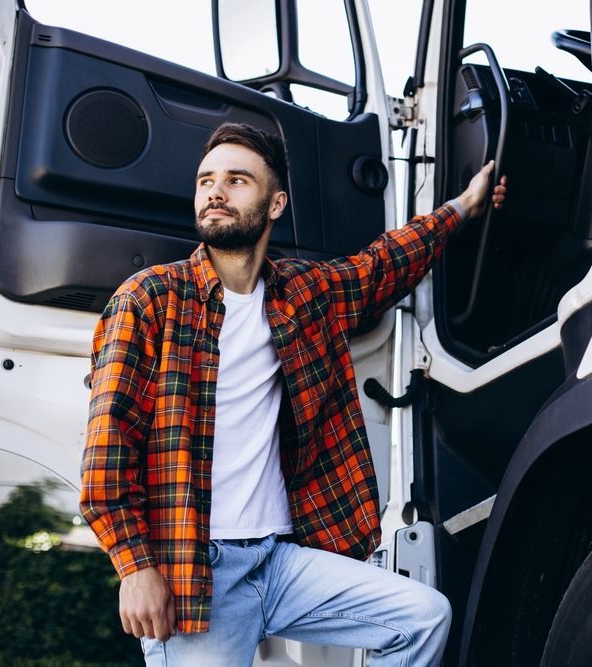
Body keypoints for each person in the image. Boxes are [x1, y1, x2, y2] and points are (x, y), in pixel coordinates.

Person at [79, 122, 506, 666]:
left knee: (422, 617)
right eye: (206, 180)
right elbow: (106, 450)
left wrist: (465, 206)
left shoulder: (304, 295)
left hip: (281, 561)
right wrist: (135, 567)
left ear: (275, 202)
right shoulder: (150, 300)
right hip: (196, 572)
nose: (215, 191)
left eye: (237, 181)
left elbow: (383, 264)